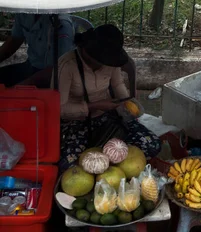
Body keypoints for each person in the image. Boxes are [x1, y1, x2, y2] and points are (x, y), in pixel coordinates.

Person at [57, 24, 160, 171]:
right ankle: (102, 162)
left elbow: (117, 85)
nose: (106, 65)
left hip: (106, 117)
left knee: (152, 145)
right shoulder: (67, 65)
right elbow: (58, 108)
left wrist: (127, 104)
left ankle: (113, 167)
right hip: (75, 122)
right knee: (68, 165)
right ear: (89, 51)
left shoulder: (110, 60)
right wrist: (95, 105)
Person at [0, 14, 74, 87]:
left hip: (52, 76)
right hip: (30, 66)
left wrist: (18, 89)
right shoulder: (24, 14)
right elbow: (14, 40)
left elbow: (58, 70)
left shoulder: (62, 25)